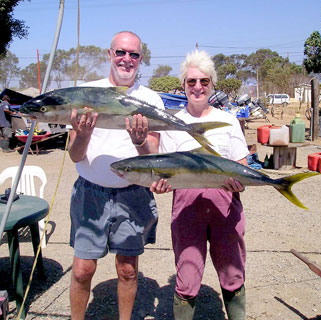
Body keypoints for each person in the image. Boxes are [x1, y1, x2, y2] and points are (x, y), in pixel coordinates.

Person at [68, 31, 164, 320]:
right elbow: (74, 154)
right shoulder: (87, 93)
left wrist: (138, 140)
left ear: (141, 60)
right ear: (109, 55)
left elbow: (152, 156)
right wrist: (83, 135)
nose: (127, 59)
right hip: (90, 193)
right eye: (121, 52)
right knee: (82, 270)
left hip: (133, 193)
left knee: (127, 269)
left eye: (133, 54)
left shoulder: (150, 99)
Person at [153, 50, 249, 320]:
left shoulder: (229, 120)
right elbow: (167, 171)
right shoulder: (172, 124)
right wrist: (162, 185)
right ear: (183, 85)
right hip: (187, 211)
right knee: (187, 277)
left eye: (204, 81)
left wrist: (239, 184)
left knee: (233, 274)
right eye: (191, 81)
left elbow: (241, 164)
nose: (197, 87)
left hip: (226, 209)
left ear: (212, 84)